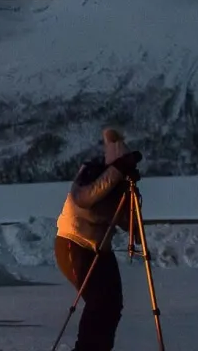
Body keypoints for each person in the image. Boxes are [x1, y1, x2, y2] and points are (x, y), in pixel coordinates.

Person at [54, 128, 142, 351]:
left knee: (112, 305)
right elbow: (83, 200)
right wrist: (116, 173)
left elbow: (128, 225)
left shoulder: (118, 186)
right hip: (74, 243)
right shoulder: (91, 173)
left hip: (101, 248)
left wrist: (132, 195)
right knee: (98, 303)